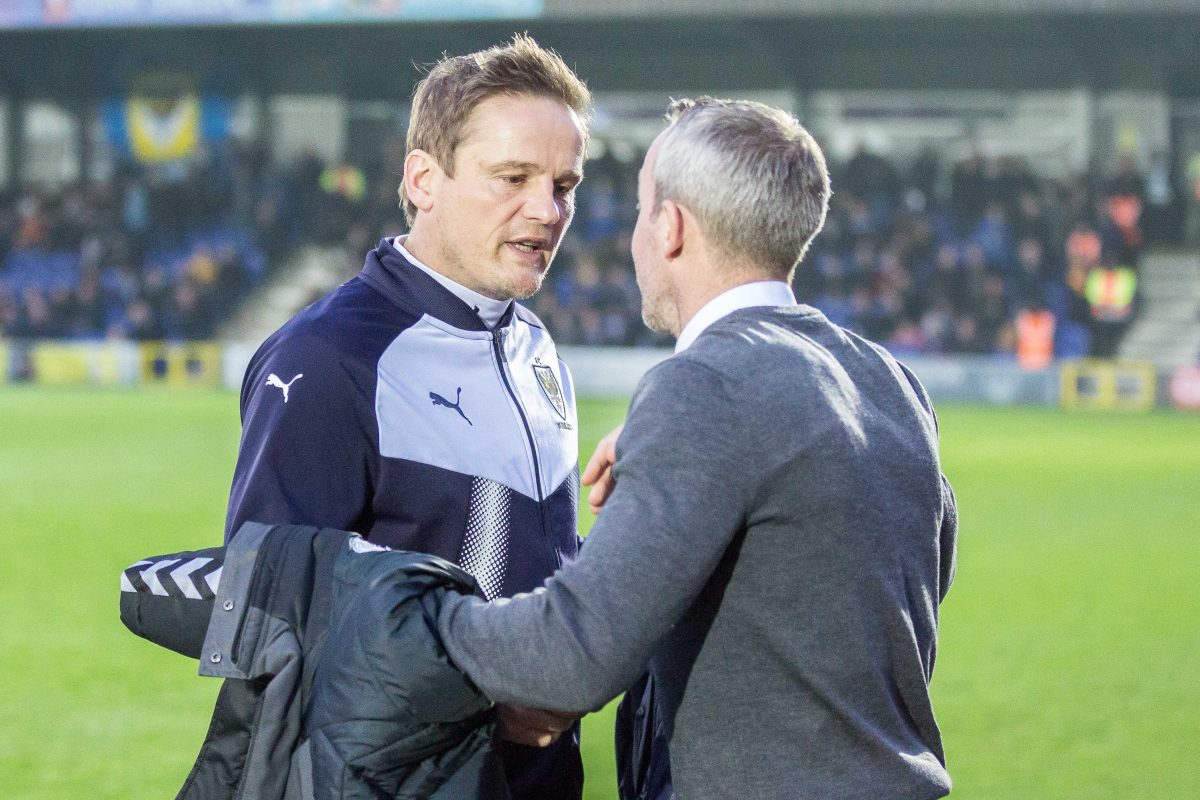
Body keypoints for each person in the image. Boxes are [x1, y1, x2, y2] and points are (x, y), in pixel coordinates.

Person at [438, 98, 959, 799]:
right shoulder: (887, 380)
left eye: (640, 211)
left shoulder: (708, 386)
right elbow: (870, 585)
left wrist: (407, 620)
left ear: (671, 227)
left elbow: (573, 656)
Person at [224, 34, 589, 800]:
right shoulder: (328, 357)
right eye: (513, 177)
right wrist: (479, 693)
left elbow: (536, 563)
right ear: (423, 179)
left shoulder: (535, 345)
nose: (547, 210)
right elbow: (267, 622)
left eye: (564, 185)